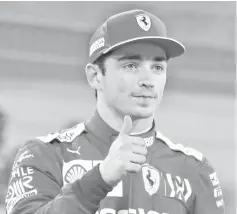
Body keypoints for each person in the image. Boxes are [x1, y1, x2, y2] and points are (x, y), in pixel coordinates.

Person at [5, 9, 225, 214]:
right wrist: (100, 178)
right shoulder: (44, 155)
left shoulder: (194, 170)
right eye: (131, 65)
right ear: (95, 76)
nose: (148, 81)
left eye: (157, 68)